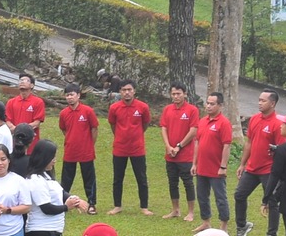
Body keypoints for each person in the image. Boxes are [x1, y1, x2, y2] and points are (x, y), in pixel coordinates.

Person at [234, 91, 285, 236]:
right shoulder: (255, 119)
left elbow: (281, 150)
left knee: (272, 201)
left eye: (263, 100)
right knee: (239, 195)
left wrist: (278, 172)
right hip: (252, 168)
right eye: (259, 100)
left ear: (272, 104)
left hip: (268, 170)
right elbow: (249, 143)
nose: (259, 103)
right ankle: (242, 226)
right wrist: (242, 164)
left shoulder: (277, 123)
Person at [106, 80, 153, 214]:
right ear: (120, 92)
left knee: (141, 178)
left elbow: (145, 124)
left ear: (134, 91)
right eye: (123, 90)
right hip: (120, 148)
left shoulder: (142, 107)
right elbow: (113, 125)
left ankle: (144, 207)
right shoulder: (114, 108)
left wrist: (136, 135)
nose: (126, 92)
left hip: (137, 149)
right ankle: (117, 206)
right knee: (117, 178)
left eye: (129, 90)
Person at [159, 84, 200, 222]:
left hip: (186, 155)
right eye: (173, 94)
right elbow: (163, 128)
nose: (176, 96)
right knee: (172, 182)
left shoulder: (192, 110)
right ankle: (175, 209)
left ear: (185, 94)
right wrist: (168, 146)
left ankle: (190, 212)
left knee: (188, 182)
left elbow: (193, 130)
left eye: (179, 93)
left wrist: (178, 146)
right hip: (170, 155)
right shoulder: (167, 109)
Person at [194, 92, 235, 230]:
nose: (209, 106)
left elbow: (227, 145)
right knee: (202, 195)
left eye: (212, 104)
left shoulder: (224, 123)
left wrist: (223, 166)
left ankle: (223, 225)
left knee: (220, 197)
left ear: (220, 105)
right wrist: (194, 163)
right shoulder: (202, 121)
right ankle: (206, 222)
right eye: (208, 103)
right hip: (202, 168)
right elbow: (197, 143)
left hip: (216, 168)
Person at [57, 86, 101, 212]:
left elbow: (94, 128)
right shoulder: (64, 113)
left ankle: (91, 204)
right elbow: (64, 129)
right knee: (66, 180)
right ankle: (63, 203)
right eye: (67, 95)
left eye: (72, 94)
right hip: (70, 151)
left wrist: (89, 143)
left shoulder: (87, 111)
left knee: (89, 179)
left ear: (78, 95)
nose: (69, 97)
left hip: (86, 151)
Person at [5, 74, 47, 143]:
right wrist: (16, 130)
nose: (22, 82)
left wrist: (21, 130)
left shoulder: (38, 102)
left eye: (26, 80)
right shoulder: (11, 102)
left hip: (31, 142)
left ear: (32, 85)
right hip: (14, 142)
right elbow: (7, 120)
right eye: (20, 80)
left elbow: (36, 123)